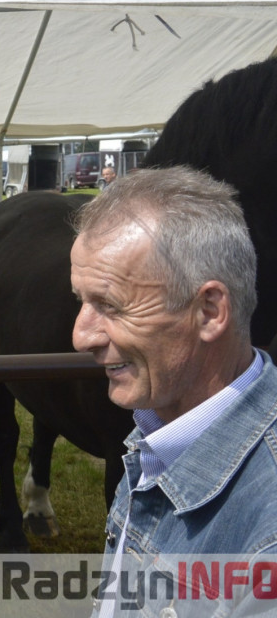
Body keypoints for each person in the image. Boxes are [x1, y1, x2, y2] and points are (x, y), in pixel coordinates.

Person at [70, 166, 277, 616]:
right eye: (81, 301)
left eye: (110, 305)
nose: (81, 336)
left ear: (209, 311)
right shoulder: (162, 431)